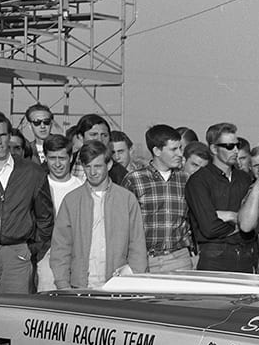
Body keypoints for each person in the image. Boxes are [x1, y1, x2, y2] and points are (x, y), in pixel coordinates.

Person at [0, 110, 53, 299]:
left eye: (3, 135)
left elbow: (45, 217)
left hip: (17, 255)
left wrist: (30, 250)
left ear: (9, 136)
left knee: (15, 314)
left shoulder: (32, 172)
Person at [49, 140, 146, 289]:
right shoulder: (71, 200)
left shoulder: (126, 199)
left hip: (118, 285)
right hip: (80, 286)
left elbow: (137, 244)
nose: (92, 172)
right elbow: (61, 246)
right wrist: (62, 284)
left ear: (109, 165)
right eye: (88, 167)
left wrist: (134, 275)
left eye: (98, 166)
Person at [184, 122, 259, 272]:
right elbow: (210, 228)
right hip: (214, 259)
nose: (236, 150)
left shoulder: (245, 178)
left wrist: (233, 217)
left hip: (246, 256)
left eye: (237, 145)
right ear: (214, 148)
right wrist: (243, 222)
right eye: (229, 146)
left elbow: (255, 224)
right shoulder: (199, 181)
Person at [125, 124, 193, 273]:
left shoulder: (185, 179)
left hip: (179, 258)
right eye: (173, 149)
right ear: (156, 151)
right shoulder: (135, 179)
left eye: (180, 148)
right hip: (146, 259)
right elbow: (123, 223)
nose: (180, 154)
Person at [34, 132, 81, 289]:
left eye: (62, 158)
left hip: (76, 253)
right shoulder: (37, 186)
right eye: (52, 158)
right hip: (46, 253)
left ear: (71, 157)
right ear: (45, 158)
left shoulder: (81, 186)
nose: (57, 164)